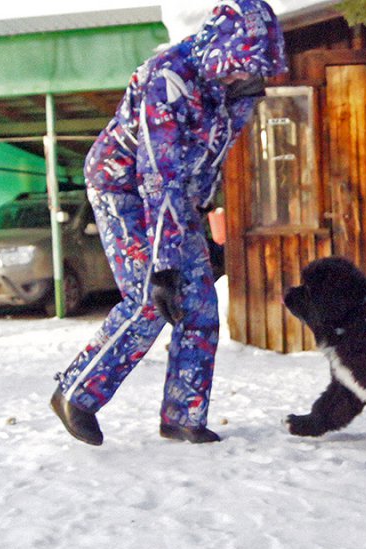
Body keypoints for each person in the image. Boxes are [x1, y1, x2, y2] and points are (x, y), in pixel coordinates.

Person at [50, 0, 288, 446]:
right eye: (240, 66)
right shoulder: (169, 78)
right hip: (122, 185)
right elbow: (158, 174)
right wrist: (164, 264)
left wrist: (203, 209)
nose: (247, 75)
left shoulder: (238, 87)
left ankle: (183, 415)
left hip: (178, 197)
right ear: (220, 50)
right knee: (149, 297)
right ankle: (76, 393)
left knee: (200, 306)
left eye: (253, 68)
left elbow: (209, 156)